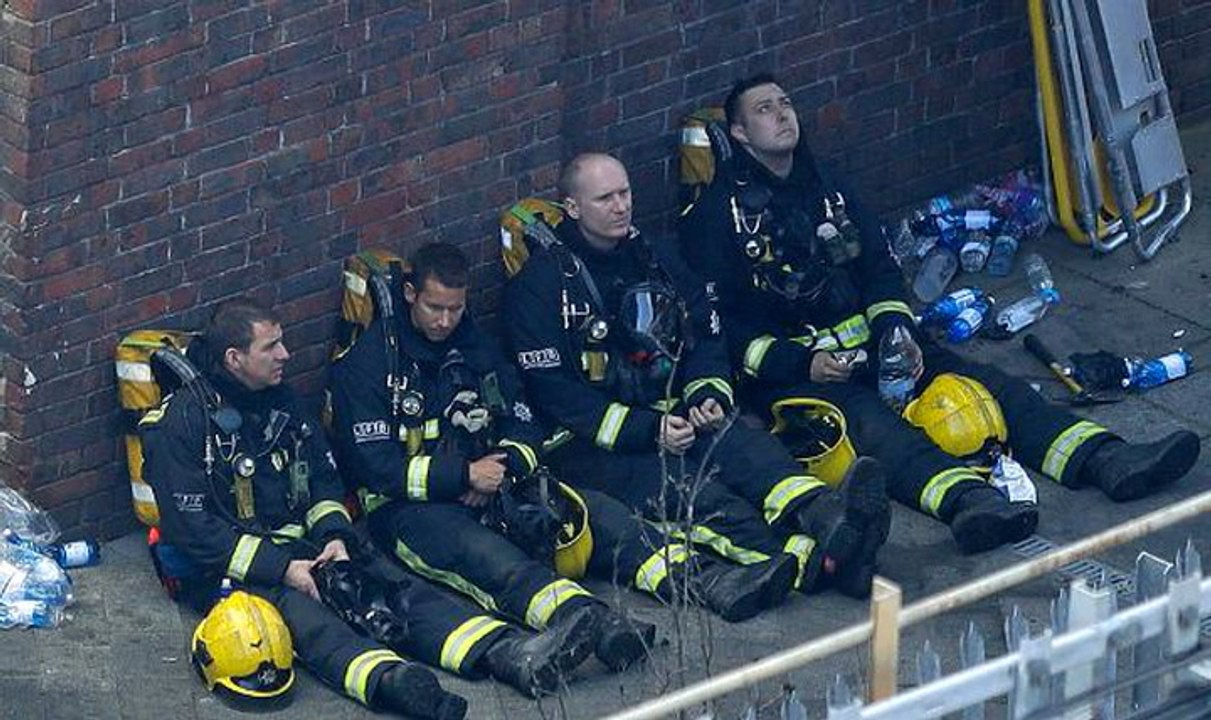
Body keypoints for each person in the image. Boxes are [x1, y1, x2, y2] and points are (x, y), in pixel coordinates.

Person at [677, 73, 1202, 554]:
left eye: (786, 104)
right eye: (765, 110)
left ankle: (1109, 459)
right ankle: (972, 505)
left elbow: (881, 269)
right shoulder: (714, 220)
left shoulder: (828, 187)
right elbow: (719, 327)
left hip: (879, 348)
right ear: (740, 135)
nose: (783, 115)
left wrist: (894, 326)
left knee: (994, 387)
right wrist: (799, 365)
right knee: (877, 430)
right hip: (801, 374)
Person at [140, 300, 609, 717]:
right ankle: (396, 685)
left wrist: (336, 539)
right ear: (234, 359)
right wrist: (284, 569)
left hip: (311, 548)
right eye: (272, 347)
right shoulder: (180, 426)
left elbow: (324, 481)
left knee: (393, 588)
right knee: (311, 622)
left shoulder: (281, 401)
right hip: (236, 569)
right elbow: (193, 530)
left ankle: (509, 655)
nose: (286, 355)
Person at [327, 242, 799, 627]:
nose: (445, 321)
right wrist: (463, 476)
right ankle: (589, 623)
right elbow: (376, 467)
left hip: (496, 480)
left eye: (455, 308)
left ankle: (713, 584)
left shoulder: (478, 348)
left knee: (603, 518)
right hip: (412, 510)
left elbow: (524, 420)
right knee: (488, 558)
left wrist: (504, 464)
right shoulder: (367, 368)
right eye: (435, 307)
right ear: (410, 294)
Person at [503, 153, 892, 599]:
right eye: (605, 198)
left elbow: (705, 327)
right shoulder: (539, 288)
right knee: (700, 498)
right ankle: (814, 562)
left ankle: (827, 516)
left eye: (625, 193)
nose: (620, 207)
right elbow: (554, 394)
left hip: (677, 414)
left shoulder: (655, 255)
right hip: (599, 446)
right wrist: (647, 431)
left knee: (752, 454)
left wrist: (706, 393)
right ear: (572, 209)